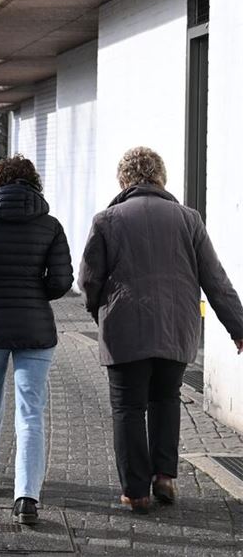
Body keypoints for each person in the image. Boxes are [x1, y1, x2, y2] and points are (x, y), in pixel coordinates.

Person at [79, 146, 243, 514]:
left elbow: (88, 280)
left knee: (128, 408)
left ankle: (136, 492)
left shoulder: (107, 220)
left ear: (123, 180)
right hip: (176, 328)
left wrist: (100, 314)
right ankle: (165, 476)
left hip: (125, 331)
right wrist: (238, 327)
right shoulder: (189, 219)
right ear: (161, 178)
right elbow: (215, 279)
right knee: (166, 399)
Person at [0, 156, 72, 525]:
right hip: (36, 329)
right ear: (33, 183)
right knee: (30, 412)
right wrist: (33, 293)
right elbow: (60, 282)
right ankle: (26, 496)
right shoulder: (50, 225)